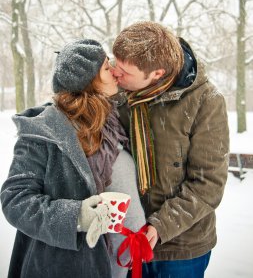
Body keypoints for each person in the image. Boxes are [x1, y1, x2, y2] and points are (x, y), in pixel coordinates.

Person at [1, 39, 145, 278]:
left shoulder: (111, 122)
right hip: (70, 266)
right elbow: (15, 200)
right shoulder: (45, 131)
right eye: (106, 68)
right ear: (89, 82)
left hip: (118, 264)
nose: (114, 71)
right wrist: (77, 216)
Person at [111, 21, 230, 278]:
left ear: (157, 73)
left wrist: (160, 226)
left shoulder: (205, 101)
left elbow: (208, 184)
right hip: (126, 238)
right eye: (114, 63)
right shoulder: (117, 93)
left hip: (181, 249)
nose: (114, 73)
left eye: (123, 71)